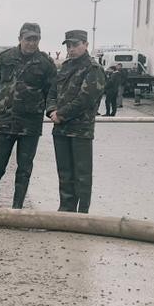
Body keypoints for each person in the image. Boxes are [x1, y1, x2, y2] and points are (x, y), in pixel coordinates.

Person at [0, 23, 56, 209]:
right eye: (28, 39)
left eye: (35, 39)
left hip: (30, 124)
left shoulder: (46, 63)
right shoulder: (6, 57)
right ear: (20, 38)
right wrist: (4, 103)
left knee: (24, 168)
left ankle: (18, 207)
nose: (32, 43)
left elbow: (51, 92)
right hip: (5, 121)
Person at [47, 29, 105, 213]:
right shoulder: (65, 67)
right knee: (64, 172)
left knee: (82, 174)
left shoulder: (93, 69)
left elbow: (85, 99)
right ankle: (66, 209)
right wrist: (51, 111)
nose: (72, 49)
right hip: (61, 128)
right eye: (69, 45)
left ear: (86, 45)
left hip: (81, 129)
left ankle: (82, 213)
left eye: (76, 45)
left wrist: (61, 114)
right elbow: (52, 92)